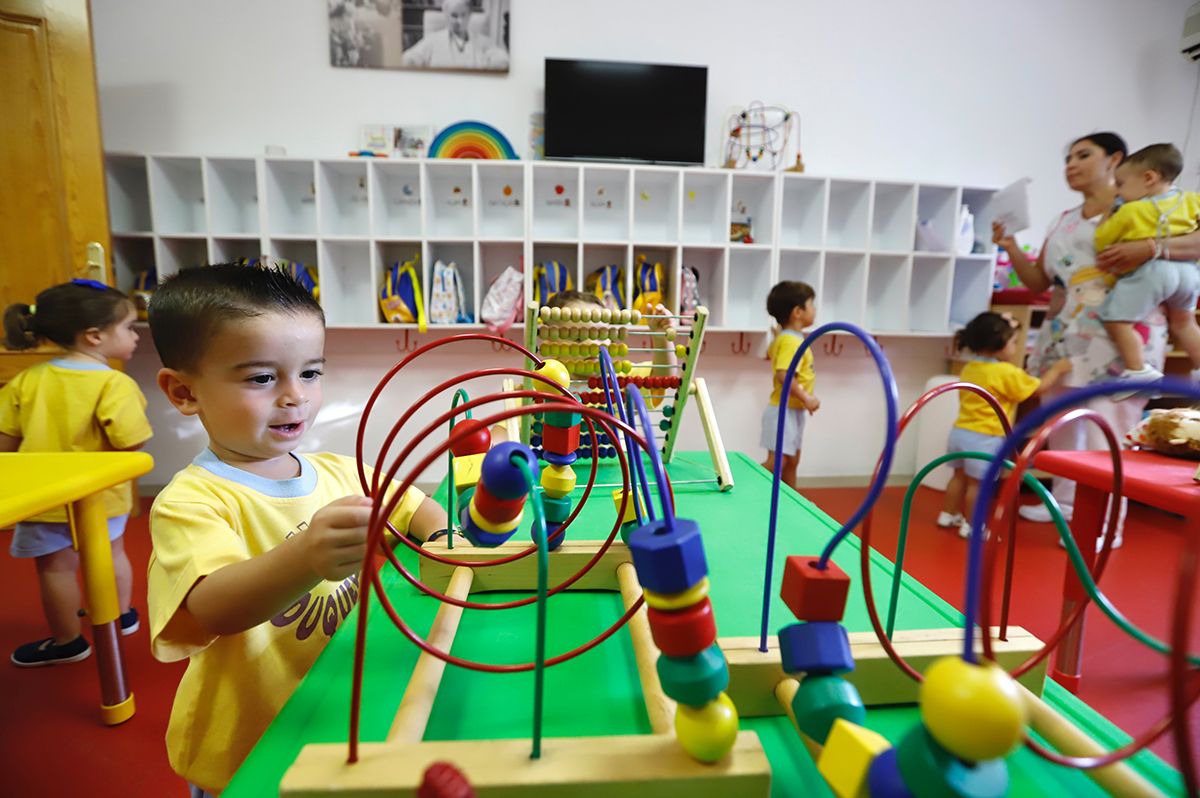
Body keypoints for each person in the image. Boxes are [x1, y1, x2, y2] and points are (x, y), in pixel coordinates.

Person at [145, 264, 447, 795]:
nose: (296, 396)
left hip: (330, 709)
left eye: (310, 372)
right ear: (184, 392)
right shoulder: (191, 502)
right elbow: (211, 608)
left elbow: (421, 511)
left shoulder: (340, 471)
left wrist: (448, 541)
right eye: (263, 378)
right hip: (247, 739)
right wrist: (305, 556)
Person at [994, 131, 1200, 544]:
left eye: (1083, 155)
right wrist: (1010, 245)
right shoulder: (1065, 221)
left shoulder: (1150, 208)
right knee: (1065, 426)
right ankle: (1067, 505)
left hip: (1121, 338)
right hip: (1065, 336)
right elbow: (1040, 282)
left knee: (1113, 430)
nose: (1071, 164)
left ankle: (1107, 524)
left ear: (1115, 160)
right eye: (1067, 157)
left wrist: (1151, 248)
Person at [0, 279, 150, 666]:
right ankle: (118, 617)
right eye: (128, 328)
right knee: (110, 553)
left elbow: (5, 444)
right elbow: (131, 442)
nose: (134, 337)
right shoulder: (114, 384)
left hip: (44, 496)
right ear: (95, 336)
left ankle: (68, 641)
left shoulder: (27, 381)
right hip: (101, 497)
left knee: (55, 566)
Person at [938, 312, 1070, 538]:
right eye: (1014, 342)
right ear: (999, 345)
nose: (1016, 347)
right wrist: (1057, 370)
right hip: (985, 436)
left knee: (958, 477)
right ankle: (972, 526)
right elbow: (1035, 389)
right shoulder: (1005, 371)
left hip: (960, 431)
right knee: (978, 485)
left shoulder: (970, 367)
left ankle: (947, 514)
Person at [1095, 143, 1200, 386]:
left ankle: (1138, 370)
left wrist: (1110, 213)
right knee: (1184, 323)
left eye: (1120, 184)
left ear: (1149, 178)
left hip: (1154, 272)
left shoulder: (1131, 210)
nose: (1118, 191)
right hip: (1189, 272)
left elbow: (1102, 240)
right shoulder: (1193, 200)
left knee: (1117, 321)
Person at [760, 281, 819, 491]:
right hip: (782, 411)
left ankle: (792, 502)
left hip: (792, 410)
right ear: (797, 312)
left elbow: (770, 354)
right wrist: (807, 398)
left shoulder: (788, 338)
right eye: (812, 305)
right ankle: (748, 486)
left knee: (792, 461)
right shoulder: (791, 341)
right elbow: (783, 375)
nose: (815, 310)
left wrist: (777, 337)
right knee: (778, 463)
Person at [401, 0, 509, 70]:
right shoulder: (433, 41)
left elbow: (503, 59)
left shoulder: (483, 42)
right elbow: (409, 58)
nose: (460, 21)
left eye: (464, 15)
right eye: (454, 15)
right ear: (445, 14)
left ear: (470, 14)